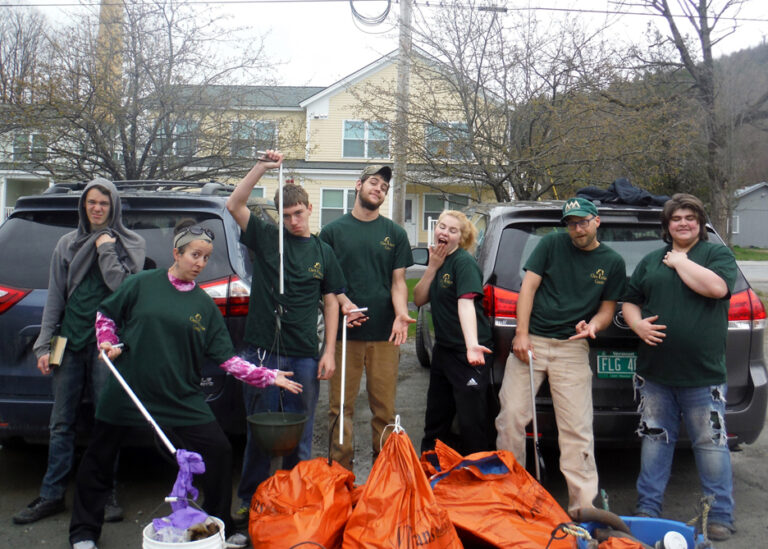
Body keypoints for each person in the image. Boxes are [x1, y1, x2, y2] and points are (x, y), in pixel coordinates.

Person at [67, 220, 302, 549]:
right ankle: (83, 532)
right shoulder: (141, 284)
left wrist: (266, 376)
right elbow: (105, 315)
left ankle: (217, 523)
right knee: (98, 459)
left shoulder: (204, 306)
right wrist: (108, 340)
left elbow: (227, 360)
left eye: (206, 258)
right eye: (194, 255)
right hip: (129, 393)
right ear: (176, 253)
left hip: (180, 397)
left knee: (218, 452)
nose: (200, 263)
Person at [13, 178, 145, 526]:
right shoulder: (66, 244)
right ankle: (52, 494)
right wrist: (44, 344)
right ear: (83, 207)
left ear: (113, 205)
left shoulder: (129, 243)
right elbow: (56, 297)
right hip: (68, 342)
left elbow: (123, 288)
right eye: (92, 203)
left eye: (104, 202)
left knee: (107, 421)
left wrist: (105, 248)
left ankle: (106, 492)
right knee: (61, 422)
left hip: (107, 347)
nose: (98, 208)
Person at [226, 151, 347, 524]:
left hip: (304, 355)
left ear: (310, 209)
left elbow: (331, 302)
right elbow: (235, 203)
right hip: (262, 352)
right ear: (280, 215)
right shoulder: (266, 238)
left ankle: (296, 502)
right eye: (287, 215)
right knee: (260, 430)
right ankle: (249, 501)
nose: (294, 220)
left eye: (299, 213)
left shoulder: (323, 251)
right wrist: (262, 167)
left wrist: (328, 352)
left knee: (301, 434)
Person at [494, 197, 626, 514]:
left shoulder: (612, 262)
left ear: (597, 221)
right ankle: (512, 495)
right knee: (510, 417)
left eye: (582, 222)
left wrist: (593, 325)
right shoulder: (551, 244)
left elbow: (607, 309)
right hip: (533, 342)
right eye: (571, 223)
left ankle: (582, 506)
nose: (577, 229)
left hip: (572, 347)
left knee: (577, 429)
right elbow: (528, 288)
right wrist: (521, 334)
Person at [622, 194, 736, 541]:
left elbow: (717, 288)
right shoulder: (651, 261)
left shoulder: (715, 255)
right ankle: (648, 507)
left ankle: (721, 515)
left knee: (711, 445)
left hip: (703, 376)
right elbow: (630, 299)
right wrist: (638, 325)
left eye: (690, 217)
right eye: (676, 218)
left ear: (700, 224)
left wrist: (680, 261)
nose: (683, 223)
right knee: (655, 442)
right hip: (655, 374)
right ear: (667, 225)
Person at [318, 164, 414, 470]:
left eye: (384, 187)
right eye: (374, 183)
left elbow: (398, 282)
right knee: (340, 407)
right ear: (358, 185)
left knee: (384, 409)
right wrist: (343, 305)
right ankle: (340, 472)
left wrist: (401, 313)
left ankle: (384, 473)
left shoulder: (394, 234)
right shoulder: (332, 232)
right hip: (344, 335)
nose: (379, 189)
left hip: (385, 335)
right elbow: (326, 286)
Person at [413, 210, 494, 455]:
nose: (444, 232)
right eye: (442, 226)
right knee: (436, 416)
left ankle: (477, 473)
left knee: (472, 422)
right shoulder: (439, 261)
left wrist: (471, 345)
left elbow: (466, 304)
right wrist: (432, 267)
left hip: (468, 352)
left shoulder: (463, 263)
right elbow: (418, 299)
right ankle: (431, 467)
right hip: (444, 349)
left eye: (452, 230)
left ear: (462, 238)